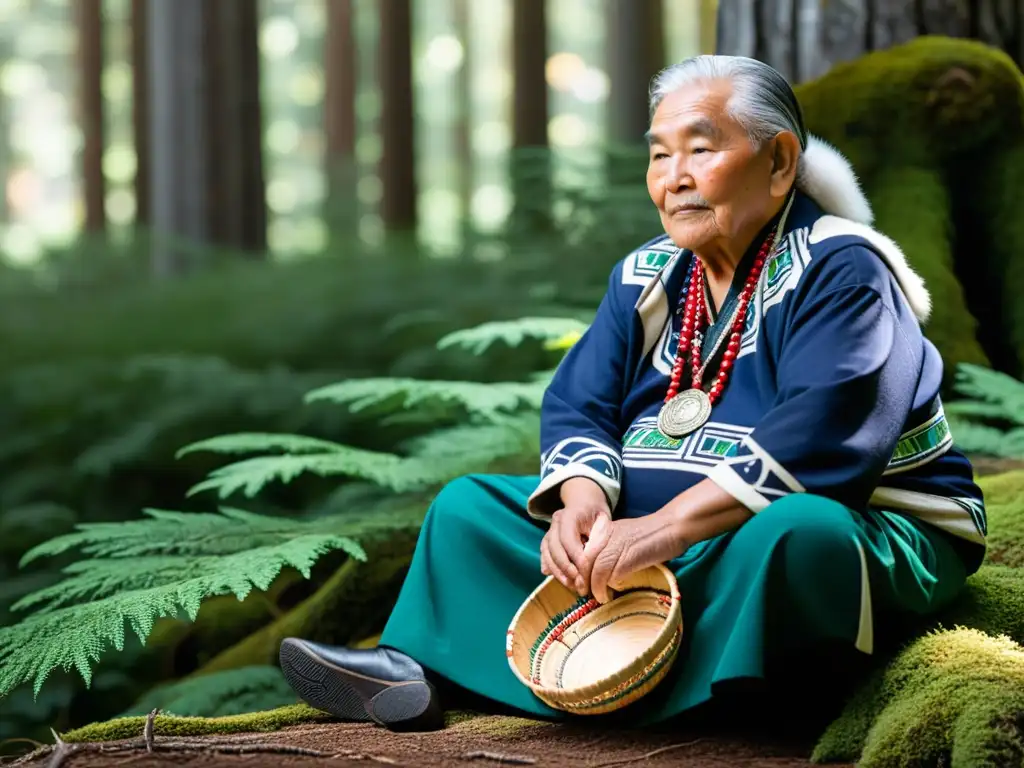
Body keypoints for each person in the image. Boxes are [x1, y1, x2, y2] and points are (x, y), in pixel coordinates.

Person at [278, 55, 986, 733]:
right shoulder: (646, 275)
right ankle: (421, 671)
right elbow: (580, 401)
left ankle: (704, 693)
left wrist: (666, 527)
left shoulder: (845, 269)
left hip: (843, 529)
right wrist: (582, 503)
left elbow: (830, 424)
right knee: (467, 508)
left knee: (801, 538)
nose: (674, 179)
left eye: (701, 151)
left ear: (779, 163)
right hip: (662, 542)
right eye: (658, 154)